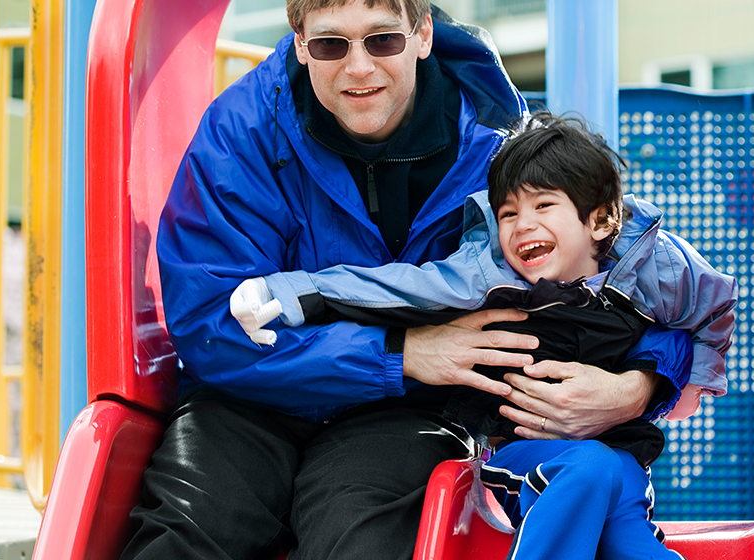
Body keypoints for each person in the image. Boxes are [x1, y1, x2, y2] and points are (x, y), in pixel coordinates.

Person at [124, 1, 703, 559]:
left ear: (422, 33)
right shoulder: (243, 132)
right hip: (251, 396)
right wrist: (397, 353)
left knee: (355, 534)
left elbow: (631, 271)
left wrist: (641, 387)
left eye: (383, 39)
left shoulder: (498, 144)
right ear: (300, 45)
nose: (358, 67)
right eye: (330, 43)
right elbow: (209, 321)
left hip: (410, 410)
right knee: (193, 525)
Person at [231, 112, 738, 559]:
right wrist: (291, 293)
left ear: (601, 218)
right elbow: (395, 289)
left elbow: (712, 309)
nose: (522, 226)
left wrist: (685, 387)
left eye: (543, 206)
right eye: (508, 214)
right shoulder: (488, 274)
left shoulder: (654, 268)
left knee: (630, 539)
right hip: (523, 451)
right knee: (588, 469)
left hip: (624, 453)